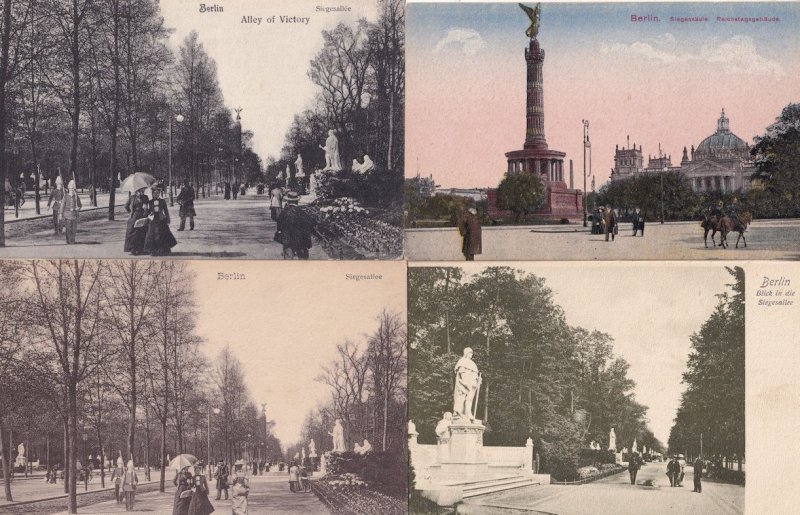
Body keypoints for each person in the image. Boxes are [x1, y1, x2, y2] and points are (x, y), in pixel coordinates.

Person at [276, 191, 312, 259]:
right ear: (297, 202)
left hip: (288, 239)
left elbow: (279, 225)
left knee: (288, 258)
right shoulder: (302, 213)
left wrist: (280, 231)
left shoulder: (284, 213)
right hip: (300, 239)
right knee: (302, 259)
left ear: (288, 202)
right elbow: (309, 224)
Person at [143, 185, 178, 256]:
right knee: (152, 234)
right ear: (152, 194)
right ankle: (153, 251)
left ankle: (163, 250)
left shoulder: (162, 201)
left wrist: (168, 219)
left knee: (162, 234)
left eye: (157, 193)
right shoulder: (150, 202)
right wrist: (146, 209)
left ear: (159, 194)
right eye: (154, 193)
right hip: (153, 219)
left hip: (161, 219)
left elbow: (166, 210)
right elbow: (147, 213)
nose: (156, 194)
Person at [453, 347, 480, 421]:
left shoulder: (473, 364)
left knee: (469, 399)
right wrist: (466, 382)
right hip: (464, 383)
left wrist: (477, 380)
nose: (471, 355)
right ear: (466, 353)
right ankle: (459, 412)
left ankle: (468, 413)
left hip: (472, 384)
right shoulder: (462, 361)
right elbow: (461, 372)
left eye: (471, 353)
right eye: (469, 353)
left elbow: (475, 375)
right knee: (461, 397)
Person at [124, 188, 150, 254]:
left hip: (143, 215)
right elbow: (126, 206)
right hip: (134, 216)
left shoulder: (145, 197)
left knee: (142, 231)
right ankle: (132, 249)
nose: (141, 192)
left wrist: (146, 208)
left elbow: (147, 205)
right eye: (140, 191)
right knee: (132, 232)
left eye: (142, 191)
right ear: (136, 191)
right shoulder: (132, 197)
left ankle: (141, 248)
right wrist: (130, 212)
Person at [60, 180, 82, 244]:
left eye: (73, 188)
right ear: (68, 188)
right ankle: (68, 240)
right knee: (68, 228)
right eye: (71, 188)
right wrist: (61, 214)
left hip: (74, 214)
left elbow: (80, 205)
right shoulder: (65, 196)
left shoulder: (76, 196)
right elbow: (62, 205)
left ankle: (73, 240)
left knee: (74, 229)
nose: (72, 190)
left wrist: (78, 208)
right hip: (67, 214)